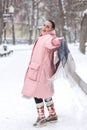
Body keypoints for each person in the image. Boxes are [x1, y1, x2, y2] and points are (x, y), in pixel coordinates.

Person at [22, 20, 64, 127]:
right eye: (44, 25)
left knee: (37, 94)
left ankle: (41, 118)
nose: (45, 27)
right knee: (45, 93)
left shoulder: (48, 38)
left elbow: (53, 43)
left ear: (51, 29)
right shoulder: (42, 37)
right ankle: (52, 114)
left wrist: (58, 41)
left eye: (48, 26)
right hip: (41, 70)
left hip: (40, 71)